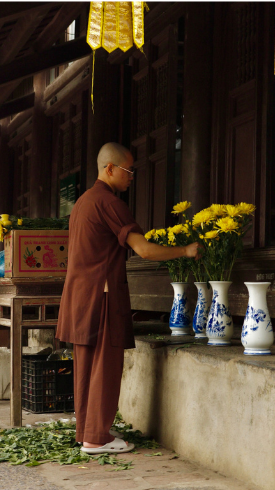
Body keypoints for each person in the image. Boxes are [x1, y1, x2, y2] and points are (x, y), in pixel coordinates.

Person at [56, 143, 200, 454]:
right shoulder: (109, 202)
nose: (131, 176)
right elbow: (144, 250)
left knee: (87, 367)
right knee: (105, 367)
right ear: (109, 168)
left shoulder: (82, 202)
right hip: (101, 296)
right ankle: (97, 438)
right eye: (128, 170)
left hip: (80, 296)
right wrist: (185, 250)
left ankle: (87, 432)